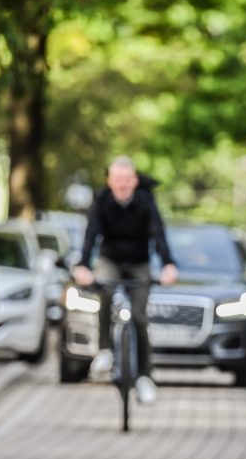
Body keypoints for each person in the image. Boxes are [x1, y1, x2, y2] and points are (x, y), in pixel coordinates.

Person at [72, 157, 178, 405]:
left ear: (135, 181)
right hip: (110, 259)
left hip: (139, 262)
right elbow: (91, 234)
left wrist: (168, 265)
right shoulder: (102, 200)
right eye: (117, 180)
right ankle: (105, 350)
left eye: (127, 180)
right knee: (105, 291)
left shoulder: (145, 200)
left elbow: (158, 233)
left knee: (140, 317)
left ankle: (144, 377)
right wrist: (83, 266)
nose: (122, 185)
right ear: (109, 181)